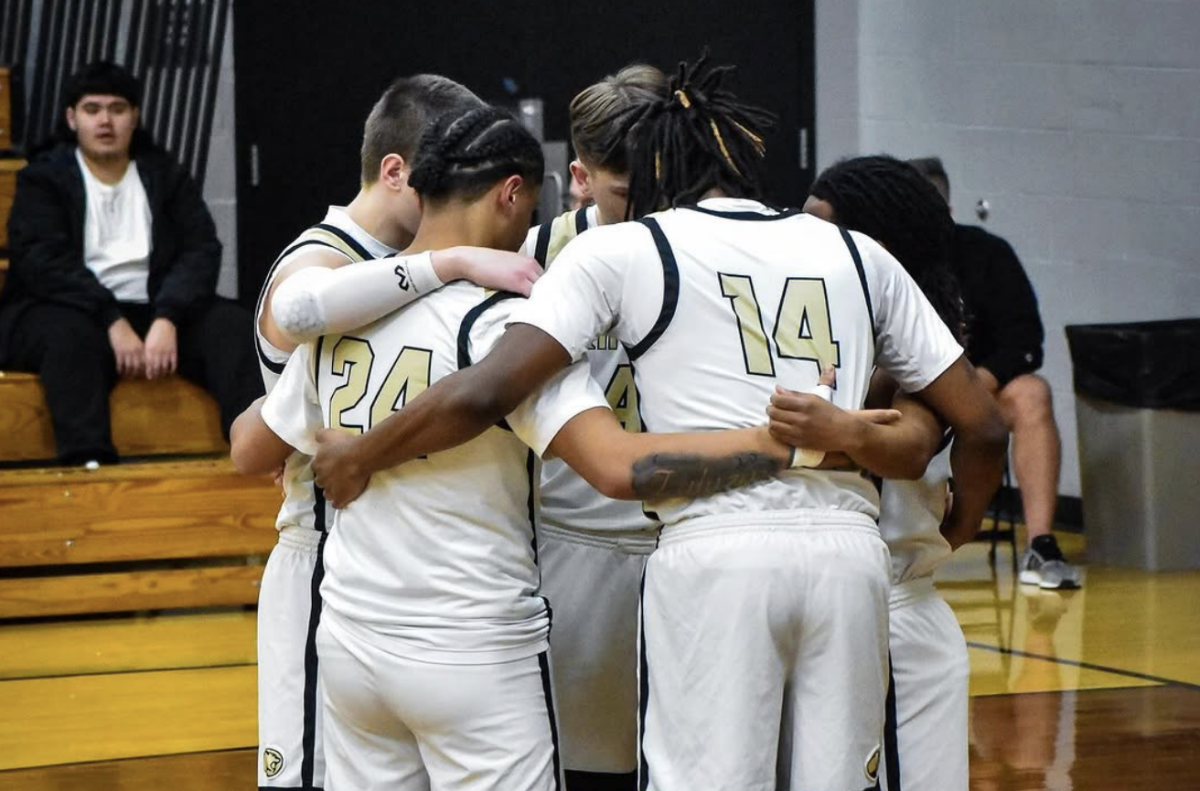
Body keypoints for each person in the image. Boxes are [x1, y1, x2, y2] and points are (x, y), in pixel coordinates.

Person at [308, 56, 1008, 791]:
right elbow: (984, 427)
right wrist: (957, 527)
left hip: (710, 547)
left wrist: (361, 455)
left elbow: (482, 391)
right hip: (851, 556)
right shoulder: (858, 253)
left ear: (650, 174)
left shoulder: (622, 248)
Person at [233, 105, 815, 791]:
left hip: (354, 642)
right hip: (472, 645)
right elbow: (623, 467)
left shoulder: (346, 316)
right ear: (512, 194)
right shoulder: (507, 323)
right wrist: (776, 447)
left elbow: (249, 448)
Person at [251, 74, 544, 791]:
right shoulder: (322, 254)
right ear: (397, 171)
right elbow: (295, 310)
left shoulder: (402, 273)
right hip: (325, 557)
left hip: (387, 567)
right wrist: (451, 259)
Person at [792, 154, 987, 791]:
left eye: (821, 226)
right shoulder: (807, 313)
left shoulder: (922, 339)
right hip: (812, 600)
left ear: (876, 245)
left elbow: (955, 436)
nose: (802, 238)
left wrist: (961, 525)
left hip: (894, 611)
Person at [521, 64, 667, 791]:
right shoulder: (538, 254)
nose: (647, 205)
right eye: (626, 192)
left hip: (682, 540)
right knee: (587, 768)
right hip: (573, 547)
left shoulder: (699, 246)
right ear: (579, 176)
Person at [0, 61, 260, 465]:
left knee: (232, 329)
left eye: (118, 109)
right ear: (72, 118)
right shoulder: (44, 178)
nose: (106, 120)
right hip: (71, 307)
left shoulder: (165, 175)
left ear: (134, 116)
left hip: (156, 309)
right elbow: (42, 262)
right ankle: (89, 464)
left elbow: (201, 249)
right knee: (69, 339)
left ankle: (255, 453)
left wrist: (168, 317)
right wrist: (110, 319)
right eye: (92, 109)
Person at [909, 156, 1081, 589]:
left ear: (948, 210)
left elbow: (1025, 342)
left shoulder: (987, 254)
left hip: (977, 391)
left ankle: (1041, 543)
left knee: (1032, 393)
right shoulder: (882, 257)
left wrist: (971, 386)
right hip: (905, 396)